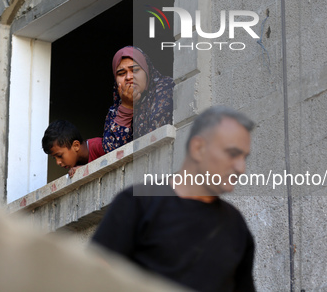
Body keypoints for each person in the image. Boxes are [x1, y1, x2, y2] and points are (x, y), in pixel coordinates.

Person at [92, 106, 256, 292]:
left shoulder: (236, 226)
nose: (241, 168)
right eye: (233, 154)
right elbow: (91, 276)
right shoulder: (138, 203)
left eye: (244, 157)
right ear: (198, 148)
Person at [102, 46, 174, 153]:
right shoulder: (115, 112)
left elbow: (155, 134)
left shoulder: (165, 88)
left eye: (135, 70)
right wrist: (126, 108)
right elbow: (110, 151)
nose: (129, 77)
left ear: (147, 71)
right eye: (121, 73)